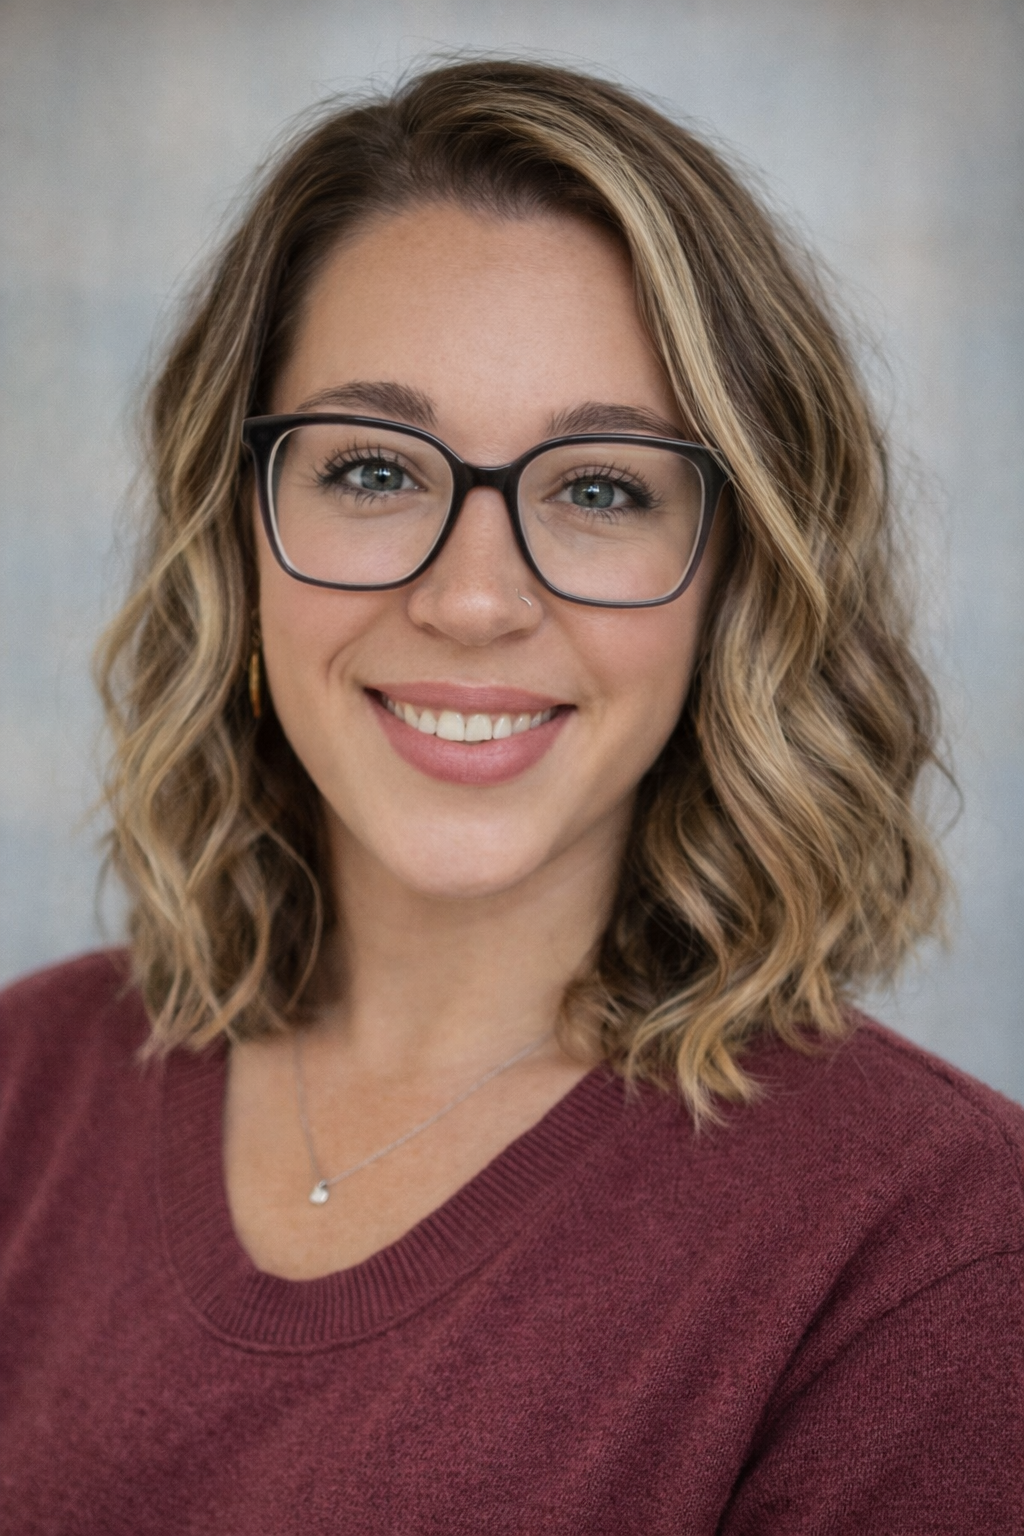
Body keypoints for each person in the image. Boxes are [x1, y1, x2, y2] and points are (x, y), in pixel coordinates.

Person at [0, 59, 1021, 1535]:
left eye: (601, 488)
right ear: (236, 533)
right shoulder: (27, 1091)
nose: (473, 599)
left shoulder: (933, 1253)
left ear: (739, 576)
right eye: (370, 469)